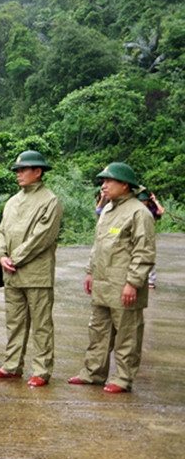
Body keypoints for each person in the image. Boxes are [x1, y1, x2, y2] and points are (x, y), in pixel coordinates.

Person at [69, 163, 156, 393]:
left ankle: (123, 378)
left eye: (109, 181)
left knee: (128, 333)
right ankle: (93, 373)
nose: (103, 186)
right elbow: (98, 245)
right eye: (102, 181)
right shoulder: (107, 209)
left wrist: (133, 283)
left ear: (125, 184)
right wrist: (90, 272)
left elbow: (144, 252)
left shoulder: (139, 212)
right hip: (102, 282)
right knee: (98, 330)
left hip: (124, 284)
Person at [0, 150, 63, 388]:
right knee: (14, 322)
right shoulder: (12, 201)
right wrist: (0, 255)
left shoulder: (50, 201)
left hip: (36, 274)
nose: (19, 174)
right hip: (11, 272)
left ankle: (41, 371)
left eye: (23, 170)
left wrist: (15, 257)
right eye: (17, 170)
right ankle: (12, 366)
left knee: (41, 324)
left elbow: (42, 237)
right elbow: (1, 231)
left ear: (38, 172)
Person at [137, 189, 164, 288]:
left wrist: (155, 201)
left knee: (149, 257)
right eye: (141, 201)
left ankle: (151, 281)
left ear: (147, 201)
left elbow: (161, 211)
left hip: (148, 236)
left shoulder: (151, 210)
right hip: (137, 236)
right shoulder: (135, 210)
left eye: (144, 201)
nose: (143, 203)